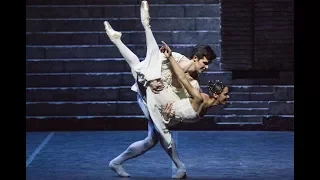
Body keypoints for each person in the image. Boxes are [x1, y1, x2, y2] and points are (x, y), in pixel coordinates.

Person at [105, 0, 220, 179]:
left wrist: (168, 117)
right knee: (143, 65)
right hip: (146, 93)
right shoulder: (175, 58)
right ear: (196, 58)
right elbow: (151, 62)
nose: (206, 67)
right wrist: (149, 83)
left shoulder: (195, 85)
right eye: (205, 63)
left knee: (152, 140)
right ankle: (180, 167)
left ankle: (116, 162)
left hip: (161, 102)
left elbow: (179, 108)